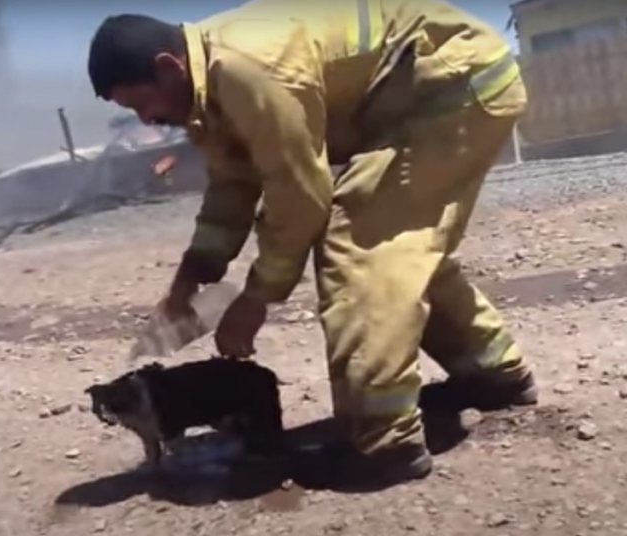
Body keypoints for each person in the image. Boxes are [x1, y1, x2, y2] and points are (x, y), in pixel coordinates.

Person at [87, 0, 538, 489]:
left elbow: (299, 196)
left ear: (167, 67)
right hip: (410, 101)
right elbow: (233, 185)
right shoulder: (204, 93)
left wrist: (256, 299)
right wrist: (192, 278)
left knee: (362, 244)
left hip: (454, 87)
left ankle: (385, 442)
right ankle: (492, 372)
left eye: (140, 105)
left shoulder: (248, 71)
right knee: (396, 240)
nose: (147, 119)